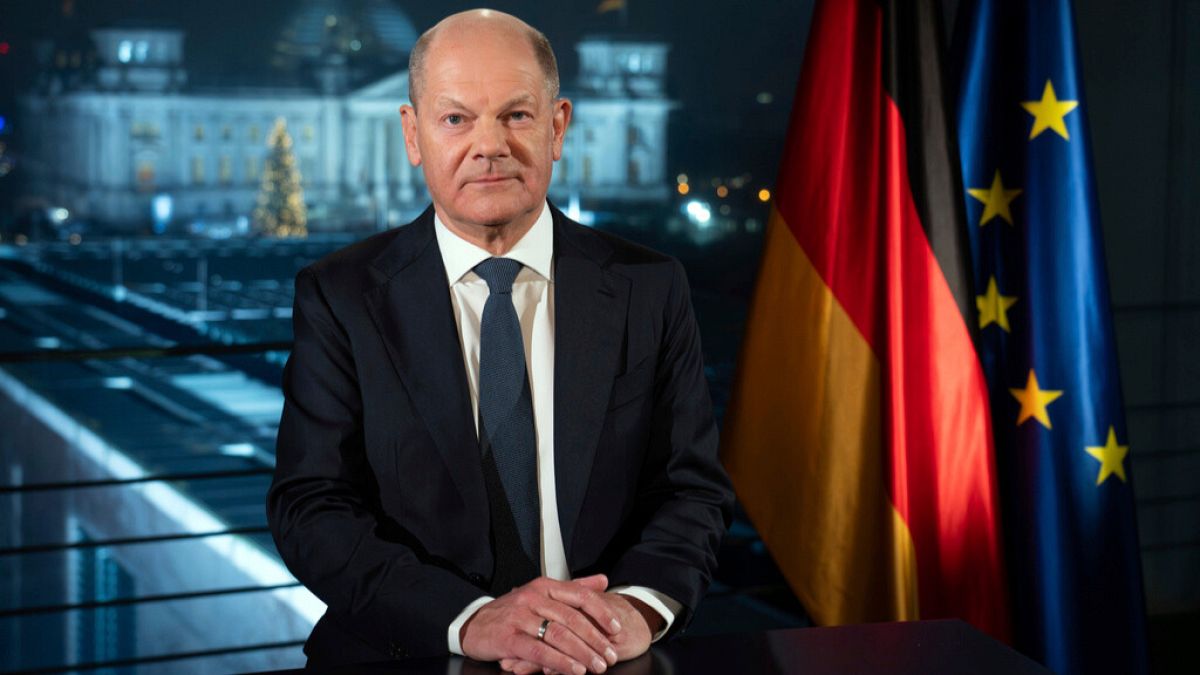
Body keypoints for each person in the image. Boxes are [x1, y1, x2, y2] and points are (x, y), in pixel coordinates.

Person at [266, 9, 733, 674]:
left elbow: (690, 491)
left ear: (558, 126)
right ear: (413, 134)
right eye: (456, 118)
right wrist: (468, 618)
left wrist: (637, 607)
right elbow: (312, 506)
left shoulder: (648, 287)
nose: (490, 145)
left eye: (516, 115)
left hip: (599, 655)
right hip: (410, 651)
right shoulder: (339, 296)